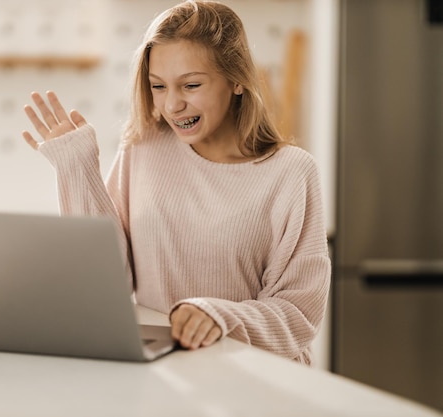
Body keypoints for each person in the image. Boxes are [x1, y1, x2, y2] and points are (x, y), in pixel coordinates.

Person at [22, 0, 331, 364]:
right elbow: (105, 282)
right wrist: (77, 168)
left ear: (236, 80)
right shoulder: (144, 149)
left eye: (191, 85)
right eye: (158, 86)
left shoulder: (291, 172)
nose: (172, 106)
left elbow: (298, 313)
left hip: (255, 380)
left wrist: (218, 317)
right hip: (163, 373)